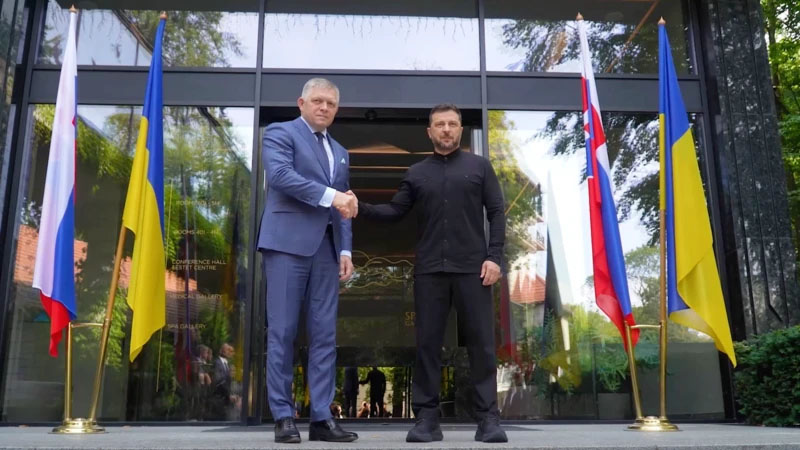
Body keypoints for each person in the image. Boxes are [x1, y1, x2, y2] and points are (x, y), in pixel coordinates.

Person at [358, 104, 508, 443]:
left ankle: (488, 420)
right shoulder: (416, 173)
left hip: (473, 269)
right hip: (429, 271)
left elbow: (497, 213)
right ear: (429, 132)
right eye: (440, 124)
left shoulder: (480, 167)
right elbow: (395, 210)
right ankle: (426, 419)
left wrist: (494, 257)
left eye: (452, 123)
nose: (446, 129)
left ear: (460, 130)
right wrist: (360, 207)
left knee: (482, 344)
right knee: (427, 345)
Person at [258, 77, 358, 444]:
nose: (324, 107)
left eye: (331, 103)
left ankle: (321, 418)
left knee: (324, 336)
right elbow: (281, 177)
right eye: (318, 100)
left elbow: (343, 204)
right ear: (301, 103)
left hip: (326, 252)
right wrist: (333, 196)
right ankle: (283, 416)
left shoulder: (340, 150)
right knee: (282, 332)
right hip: (286, 245)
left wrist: (345, 250)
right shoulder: (280, 133)